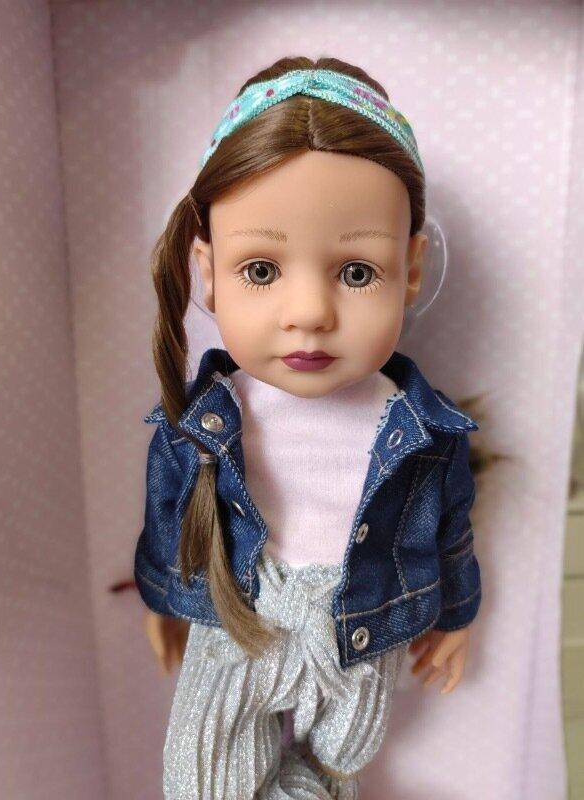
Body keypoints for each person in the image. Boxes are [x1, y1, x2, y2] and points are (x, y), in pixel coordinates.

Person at [134, 56, 486, 800]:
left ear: (410, 269)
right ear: (207, 270)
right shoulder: (200, 421)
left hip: (361, 628)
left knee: (338, 767)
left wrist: (455, 614)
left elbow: (450, 528)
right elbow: (170, 515)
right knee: (202, 784)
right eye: (261, 270)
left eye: (356, 272)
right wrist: (168, 598)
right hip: (238, 621)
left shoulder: (424, 429)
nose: (309, 313)